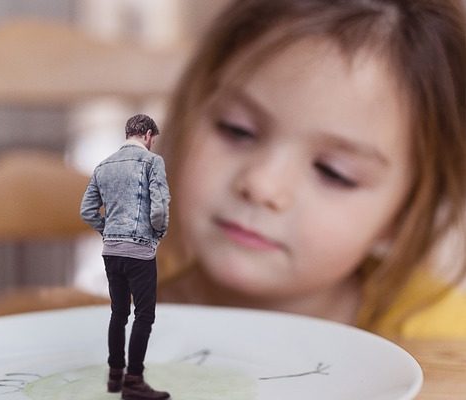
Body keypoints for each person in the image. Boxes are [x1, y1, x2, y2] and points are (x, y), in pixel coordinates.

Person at [155, 0, 466, 339]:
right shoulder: (123, 308)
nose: (262, 185)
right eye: (237, 129)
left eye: (334, 172)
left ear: (404, 214)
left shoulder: (447, 344)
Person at [80, 114, 171, 400]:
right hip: (140, 251)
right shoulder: (152, 162)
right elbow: (158, 209)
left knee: (118, 313)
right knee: (144, 315)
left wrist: (109, 232)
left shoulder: (103, 165)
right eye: (152, 139)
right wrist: (158, 233)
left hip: (111, 252)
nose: (152, 144)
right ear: (146, 135)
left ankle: (114, 376)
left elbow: (87, 210)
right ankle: (134, 382)